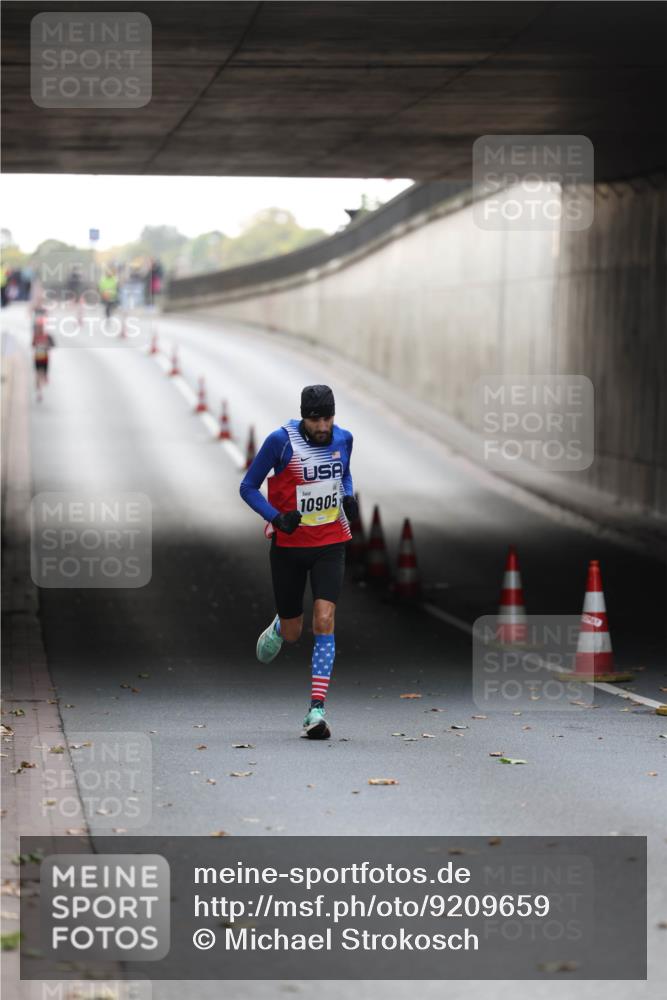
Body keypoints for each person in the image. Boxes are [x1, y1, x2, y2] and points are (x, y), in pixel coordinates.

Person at [239, 385, 358, 740]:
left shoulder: (344, 439)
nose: (323, 426)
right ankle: (279, 626)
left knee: (324, 619)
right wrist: (276, 517)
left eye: (328, 418)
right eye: (315, 419)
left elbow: (344, 474)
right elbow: (247, 487)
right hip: (289, 546)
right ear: (304, 417)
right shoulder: (281, 441)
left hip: (331, 542)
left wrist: (348, 497)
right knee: (294, 632)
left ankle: (316, 709)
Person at [32, 309, 55, 401]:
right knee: (39, 375)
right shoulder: (40, 336)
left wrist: (46, 345)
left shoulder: (45, 336)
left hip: (42, 359)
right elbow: (33, 345)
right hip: (40, 359)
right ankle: (39, 392)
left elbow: (53, 345)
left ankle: (39, 389)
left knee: (40, 375)